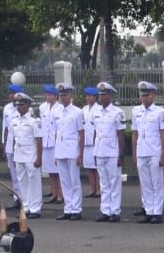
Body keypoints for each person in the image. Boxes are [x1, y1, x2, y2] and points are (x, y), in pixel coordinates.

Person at [131, 81, 164, 223]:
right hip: (142, 150)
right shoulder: (136, 111)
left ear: (153, 95)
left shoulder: (160, 112)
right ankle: (148, 210)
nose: (144, 98)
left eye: (147, 95)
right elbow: (135, 134)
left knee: (156, 183)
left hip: (155, 151)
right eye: (142, 95)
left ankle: (157, 212)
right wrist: (134, 153)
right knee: (145, 183)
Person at [91, 82, 126, 221]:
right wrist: (95, 151)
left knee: (114, 182)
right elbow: (95, 133)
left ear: (111, 95)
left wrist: (121, 154)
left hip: (112, 151)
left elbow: (121, 135)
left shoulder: (117, 113)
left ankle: (115, 211)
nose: (102, 97)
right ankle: (105, 210)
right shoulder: (96, 112)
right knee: (104, 183)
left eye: (104, 94)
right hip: (100, 151)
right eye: (100, 94)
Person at [7, 92, 44, 218]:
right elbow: (14, 139)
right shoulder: (14, 120)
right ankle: (26, 207)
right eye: (17, 105)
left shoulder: (35, 121)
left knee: (34, 182)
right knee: (22, 182)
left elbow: (39, 140)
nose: (19, 107)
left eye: (22, 104)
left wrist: (39, 158)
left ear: (28, 105)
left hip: (31, 155)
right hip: (19, 155)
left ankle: (35, 209)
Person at [53, 84, 85, 221]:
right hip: (60, 149)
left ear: (70, 95)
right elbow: (56, 133)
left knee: (74, 181)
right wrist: (55, 152)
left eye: (65, 95)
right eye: (61, 95)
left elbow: (82, 134)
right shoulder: (57, 112)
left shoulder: (77, 112)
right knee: (65, 181)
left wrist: (81, 154)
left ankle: (76, 209)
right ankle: (68, 208)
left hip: (72, 150)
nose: (62, 98)